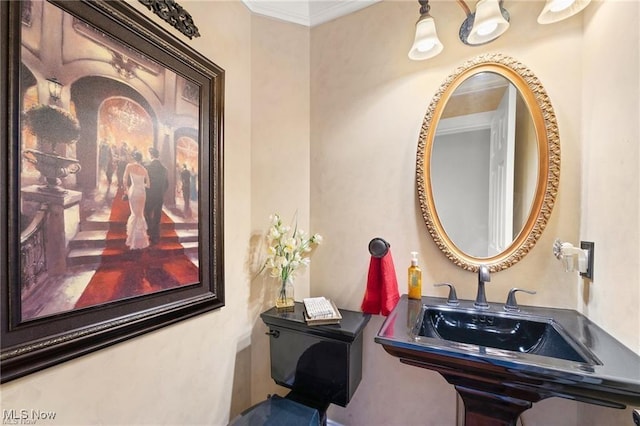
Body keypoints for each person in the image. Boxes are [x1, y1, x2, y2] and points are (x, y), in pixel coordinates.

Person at [122, 151, 150, 250]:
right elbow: (148, 185)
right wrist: (141, 185)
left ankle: (133, 241)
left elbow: (124, 179)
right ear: (141, 159)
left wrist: (125, 190)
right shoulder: (144, 169)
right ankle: (141, 241)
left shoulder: (129, 166)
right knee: (140, 214)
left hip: (133, 191)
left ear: (134, 158)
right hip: (142, 192)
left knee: (134, 213)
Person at [144, 147, 168, 245]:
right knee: (157, 216)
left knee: (147, 212)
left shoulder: (147, 167)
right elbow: (166, 184)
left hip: (149, 195)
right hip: (159, 196)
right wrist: (161, 192)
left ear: (151, 155)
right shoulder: (164, 169)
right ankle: (156, 237)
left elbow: (144, 181)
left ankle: (150, 231)